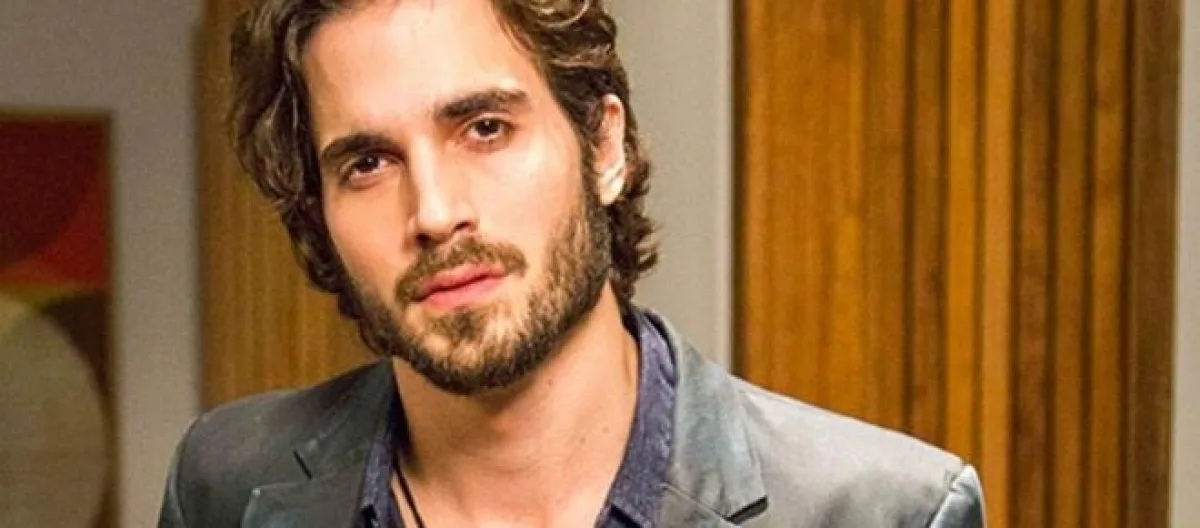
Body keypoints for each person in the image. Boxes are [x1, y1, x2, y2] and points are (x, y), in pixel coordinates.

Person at [158, 0, 985, 526]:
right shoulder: (227, 481)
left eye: (485, 128)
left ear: (604, 146)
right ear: (320, 213)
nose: (435, 212)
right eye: (368, 163)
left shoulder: (882, 511)